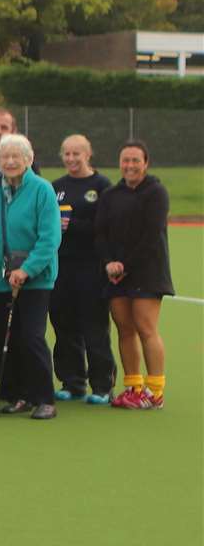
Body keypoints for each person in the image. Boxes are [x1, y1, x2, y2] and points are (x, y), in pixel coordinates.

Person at [0, 134, 61, 420]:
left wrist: (27, 269)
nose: (11, 161)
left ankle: (44, 398)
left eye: (17, 156)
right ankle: (16, 395)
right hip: (0, 276)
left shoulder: (43, 190)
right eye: (5, 156)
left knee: (31, 336)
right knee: (4, 336)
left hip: (35, 278)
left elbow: (50, 238)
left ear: (29, 160)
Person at [97, 141, 172, 410]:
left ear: (146, 163)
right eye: (125, 160)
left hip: (147, 272)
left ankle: (156, 391)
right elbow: (101, 232)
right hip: (115, 273)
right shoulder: (111, 194)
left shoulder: (156, 192)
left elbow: (151, 236)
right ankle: (133, 388)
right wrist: (109, 263)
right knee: (124, 329)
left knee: (146, 328)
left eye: (135, 160)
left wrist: (124, 265)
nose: (129, 165)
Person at [49, 135, 115, 403]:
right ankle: (72, 382)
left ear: (89, 155)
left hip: (91, 266)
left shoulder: (102, 186)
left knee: (94, 328)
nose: (71, 159)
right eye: (67, 154)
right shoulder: (55, 187)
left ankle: (102, 386)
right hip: (61, 266)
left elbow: (105, 227)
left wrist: (72, 225)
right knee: (64, 326)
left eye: (77, 153)